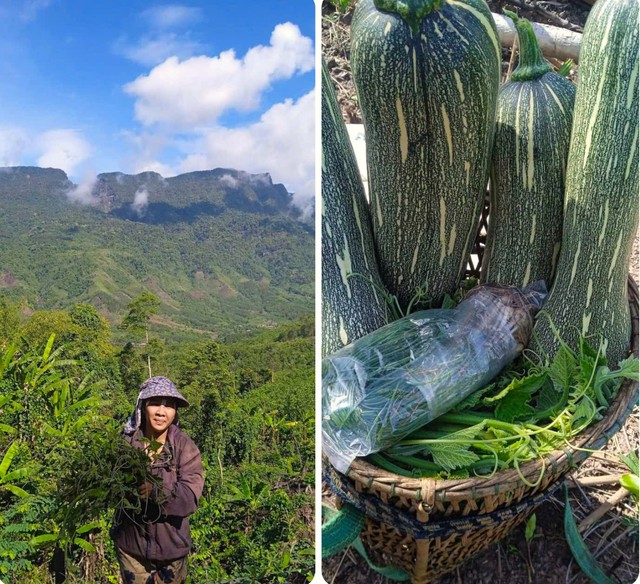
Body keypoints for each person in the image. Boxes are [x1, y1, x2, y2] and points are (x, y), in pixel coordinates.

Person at [111, 376, 204, 584]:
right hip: (131, 549)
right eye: (155, 403)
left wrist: (157, 491)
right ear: (143, 406)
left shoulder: (184, 447)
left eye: (169, 405)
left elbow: (190, 497)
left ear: (175, 412)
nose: (162, 411)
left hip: (171, 551)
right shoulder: (125, 445)